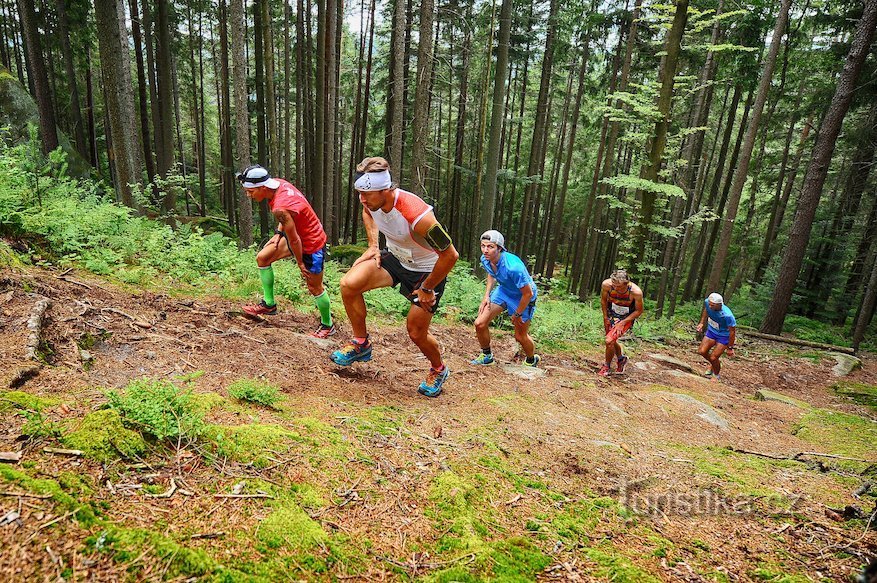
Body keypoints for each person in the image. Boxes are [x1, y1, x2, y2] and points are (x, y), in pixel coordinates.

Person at [330, 157, 459, 397]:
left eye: (366, 194)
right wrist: (372, 245)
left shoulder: (417, 214)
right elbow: (367, 212)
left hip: (427, 271)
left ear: (385, 190)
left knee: (416, 332)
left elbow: (450, 255)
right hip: (397, 260)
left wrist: (428, 288)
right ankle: (361, 343)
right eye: (359, 193)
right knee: (349, 284)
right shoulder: (372, 201)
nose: (362, 199)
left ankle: (438, 369)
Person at [237, 165, 336, 338]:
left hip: (311, 243)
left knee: (314, 286)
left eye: (251, 192)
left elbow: (294, 240)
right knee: (263, 258)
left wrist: (300, 262)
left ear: (263, 188)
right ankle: (269, 304)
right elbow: (288, 216)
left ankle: (328, 324)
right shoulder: (278, 185)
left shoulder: (279, 206)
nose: (249, 195)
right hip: (296, 236)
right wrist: (277, 234)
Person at [470, 230, 540, 367]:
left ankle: (532, 359)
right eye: (483, 246)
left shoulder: (514, 268)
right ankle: (487, 356)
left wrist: (517, 313)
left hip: (523, 297)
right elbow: (491, 273)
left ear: (500, 248)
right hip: (503, 291)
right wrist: (487, 296)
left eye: (490, 247)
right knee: (480, 323)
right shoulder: (485, 259)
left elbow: (528, 293)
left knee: (520, 336)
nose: (485, 250)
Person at [599, 269, 644, 376]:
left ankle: (606, 367)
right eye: (614, 285)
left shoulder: (636, 292)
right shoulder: (606, 285)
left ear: (627, 283)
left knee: (609, 340)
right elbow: (604, 301)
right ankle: (621, 359)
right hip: (611, 313)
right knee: (610, 340)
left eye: (619, 286)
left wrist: (622, 322)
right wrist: (605, 317)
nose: (615, 288)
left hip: (626, 317)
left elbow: (639, 310)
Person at [696, 292, 736, 381]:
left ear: (719, 305)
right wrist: (702, 322)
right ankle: (715, 363)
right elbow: (706, 309)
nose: (710, 306)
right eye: (709, 304)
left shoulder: (727, 315)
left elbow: (732, 332)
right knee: (702, 351)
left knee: (714, 357)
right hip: (712, 331)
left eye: (713, 305)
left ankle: (716, 375)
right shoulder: (708, 302)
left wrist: (730, 348)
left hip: (723, 336)